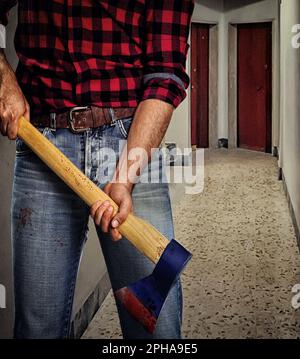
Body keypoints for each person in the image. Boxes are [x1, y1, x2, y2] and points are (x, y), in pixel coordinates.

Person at [0, 0, 194, 339]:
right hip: (43, 143)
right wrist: (3, 75)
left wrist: (125, 176)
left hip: (128, 137)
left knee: (156, 331)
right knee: (37, 329)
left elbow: (165, 72)